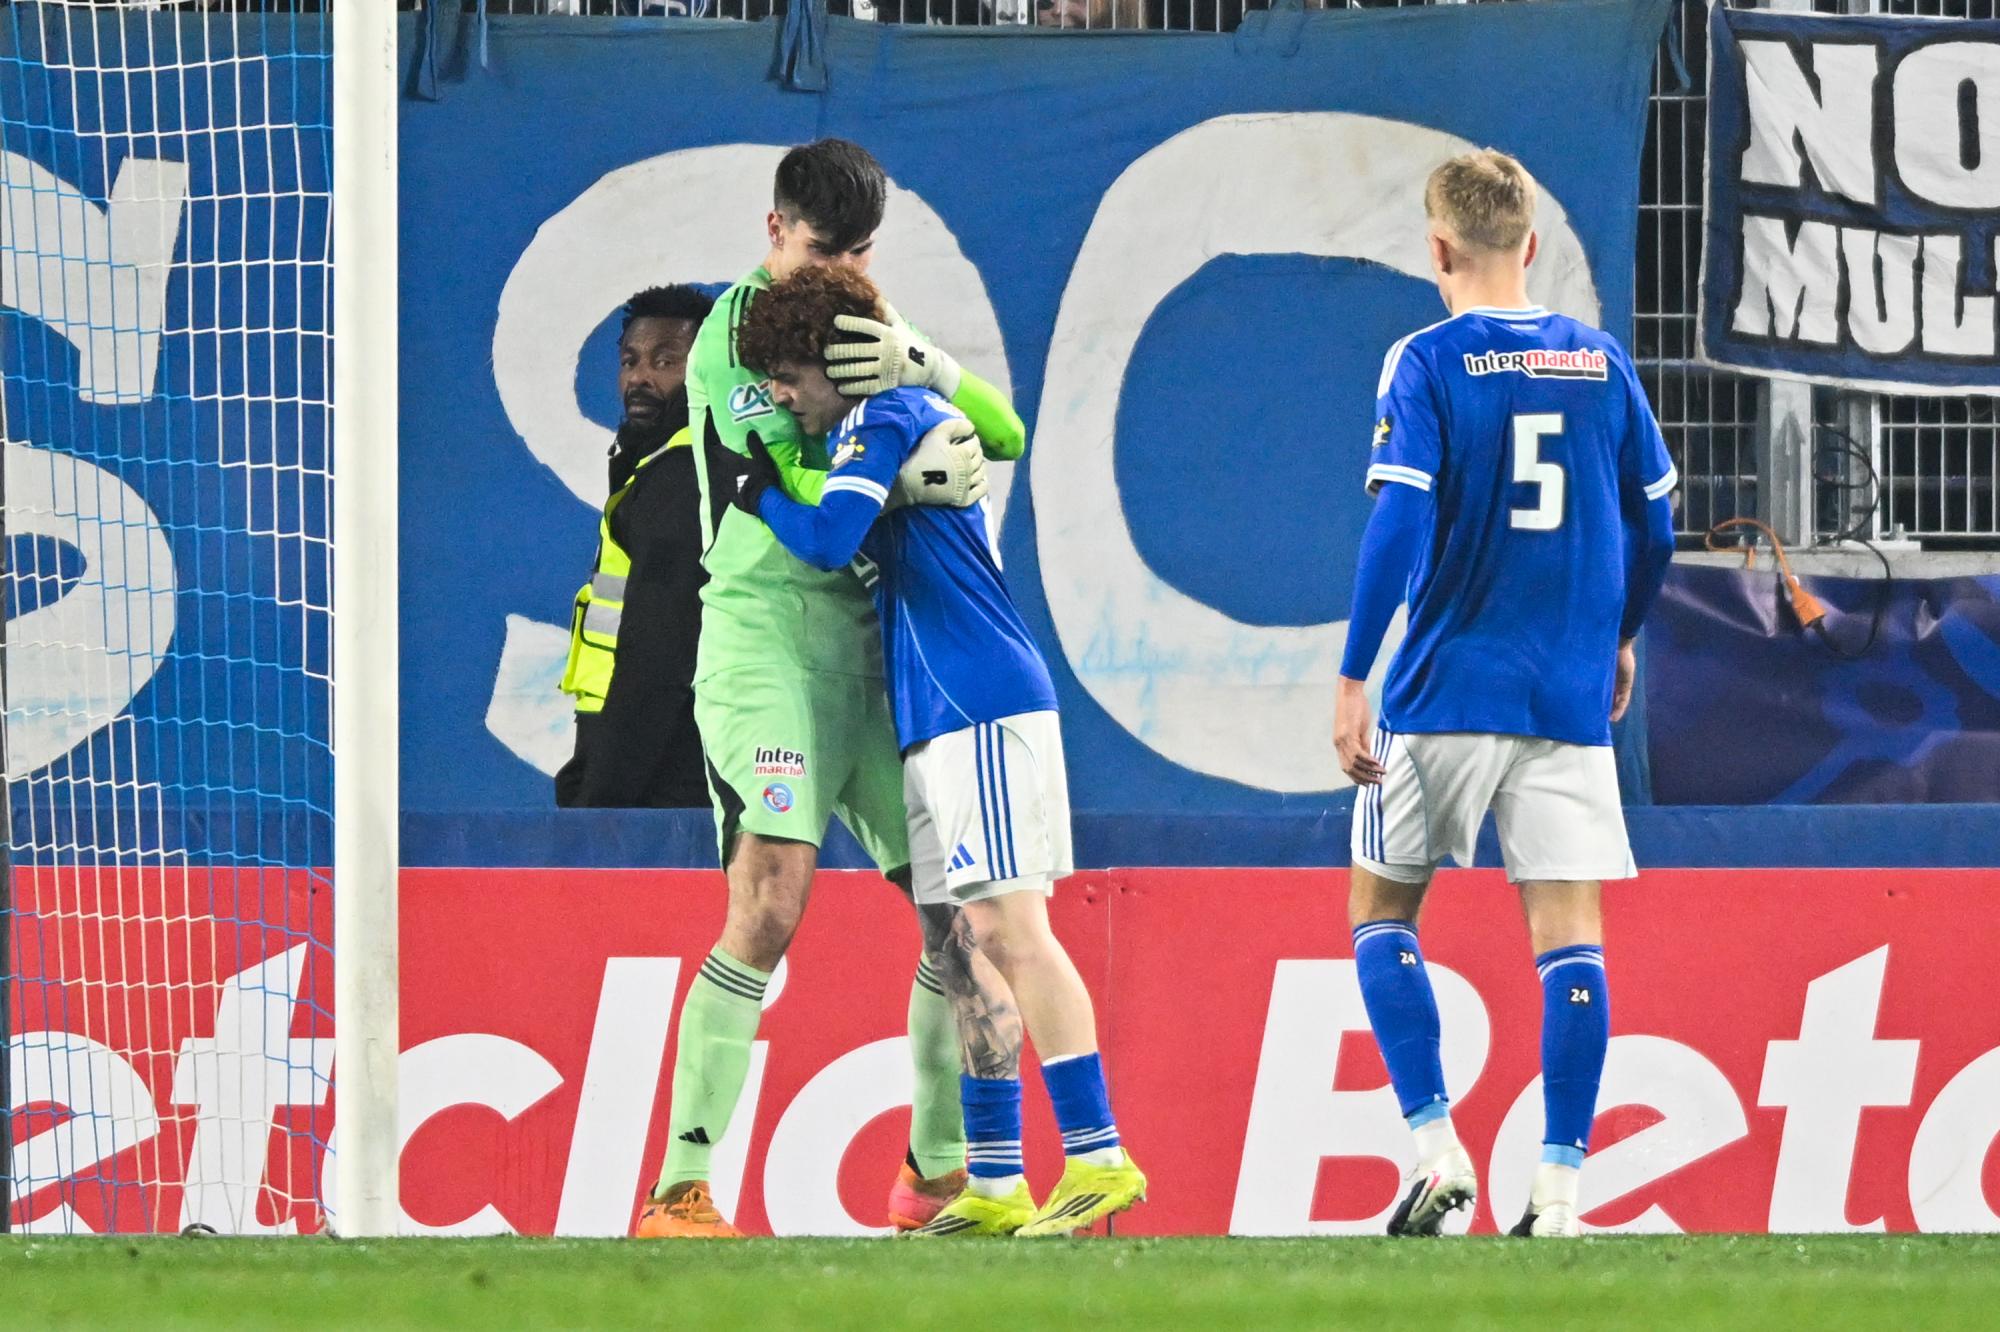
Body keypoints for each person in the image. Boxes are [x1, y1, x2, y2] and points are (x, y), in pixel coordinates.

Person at [637, 138, 1031, 1239]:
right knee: (769, 902)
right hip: (765, 635)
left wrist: (921, 367)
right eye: (825, 248)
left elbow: (1000, 430)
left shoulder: (864, 318)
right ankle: (681, 1188)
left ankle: (934, 1175)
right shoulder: (736, 344)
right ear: (775, 233)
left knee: (952, 919)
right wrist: (904, 470)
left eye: (861, 251)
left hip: (873, 644)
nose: (847, 272)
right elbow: (811, 516)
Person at [732, 262, 1147, 1238]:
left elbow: (831, 539)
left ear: (836, 361)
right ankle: (995, 1179)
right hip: (932, 717)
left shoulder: (887, 417)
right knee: (967, 953)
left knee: (1012, 930)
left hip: (982, 703)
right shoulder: (854, 434)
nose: (782, 396)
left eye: (792, 376)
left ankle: (1098, 1156)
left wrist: (755, 491)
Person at [1333, 149, 1677, 1239]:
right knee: (1568, 939)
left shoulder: (1423, 362)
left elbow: (1394, 523)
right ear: (1528, 246)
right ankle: (1560, 1194)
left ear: (1437, 250)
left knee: (1380, 909)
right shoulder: (1597, 360)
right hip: (1563, 697)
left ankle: (1436, 1153)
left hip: (1441, 688)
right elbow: (1656, 526)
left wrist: (1353, 674)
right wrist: (1617, 635)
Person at [556, 284, 714, 809]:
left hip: (665, 770)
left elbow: (659, 658)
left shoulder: (682, 479)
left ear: (707, 371)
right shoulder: (652, 467)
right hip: (636, 752)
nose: (640, 378)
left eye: (666, 361)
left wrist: (603, 791)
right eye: (630, 360)